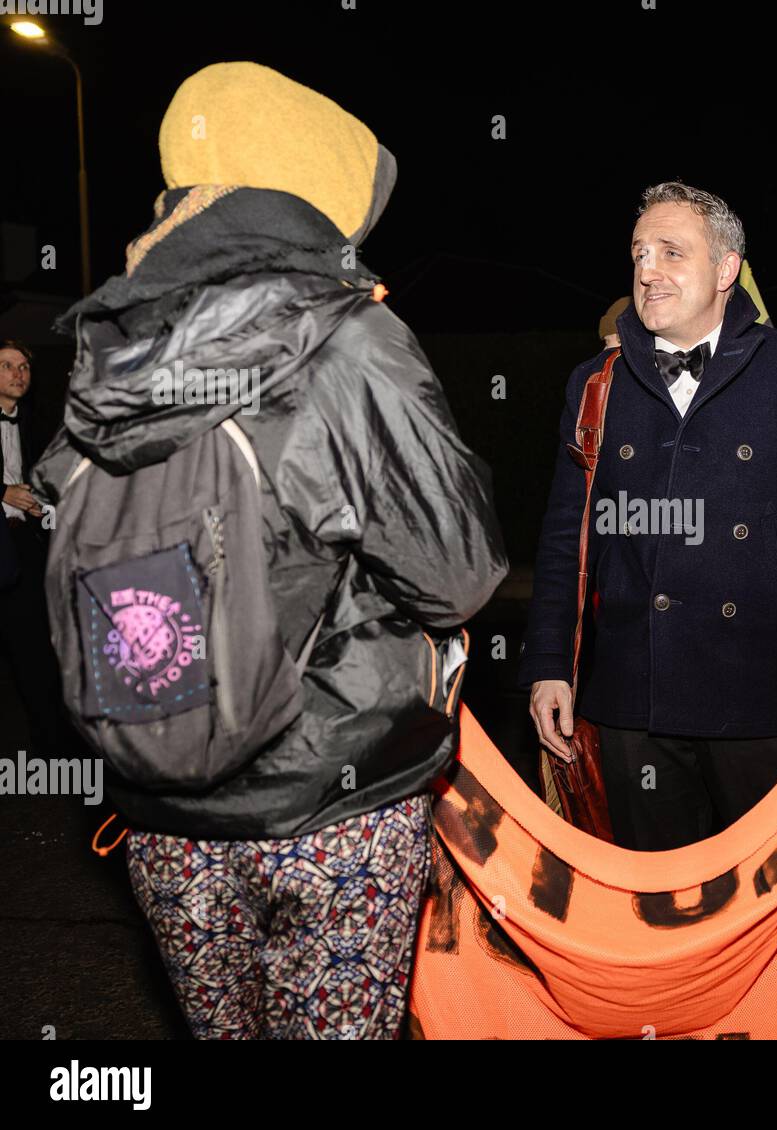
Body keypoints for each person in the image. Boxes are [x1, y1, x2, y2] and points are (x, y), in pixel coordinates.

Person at [32, 62, 508, 1040]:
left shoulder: (109, 341)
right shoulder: (352, 335)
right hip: (334, 804)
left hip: (163, 806)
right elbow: (456, 575)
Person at [521, 181, 777, 851]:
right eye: (638, 253)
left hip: (760, 702)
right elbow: (562, 542)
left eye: (670, 253)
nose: (647, 271)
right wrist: (550, 664)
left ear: (725, 270)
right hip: (634, 703)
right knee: (655, 917)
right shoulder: (597, 383)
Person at [0, 340, 66, 756]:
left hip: (22, 542)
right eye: (7, 366)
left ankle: (50, 743)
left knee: (37, 646)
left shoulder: (32, 422)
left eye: (24, 366)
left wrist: (44, 509)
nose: (19, 374)